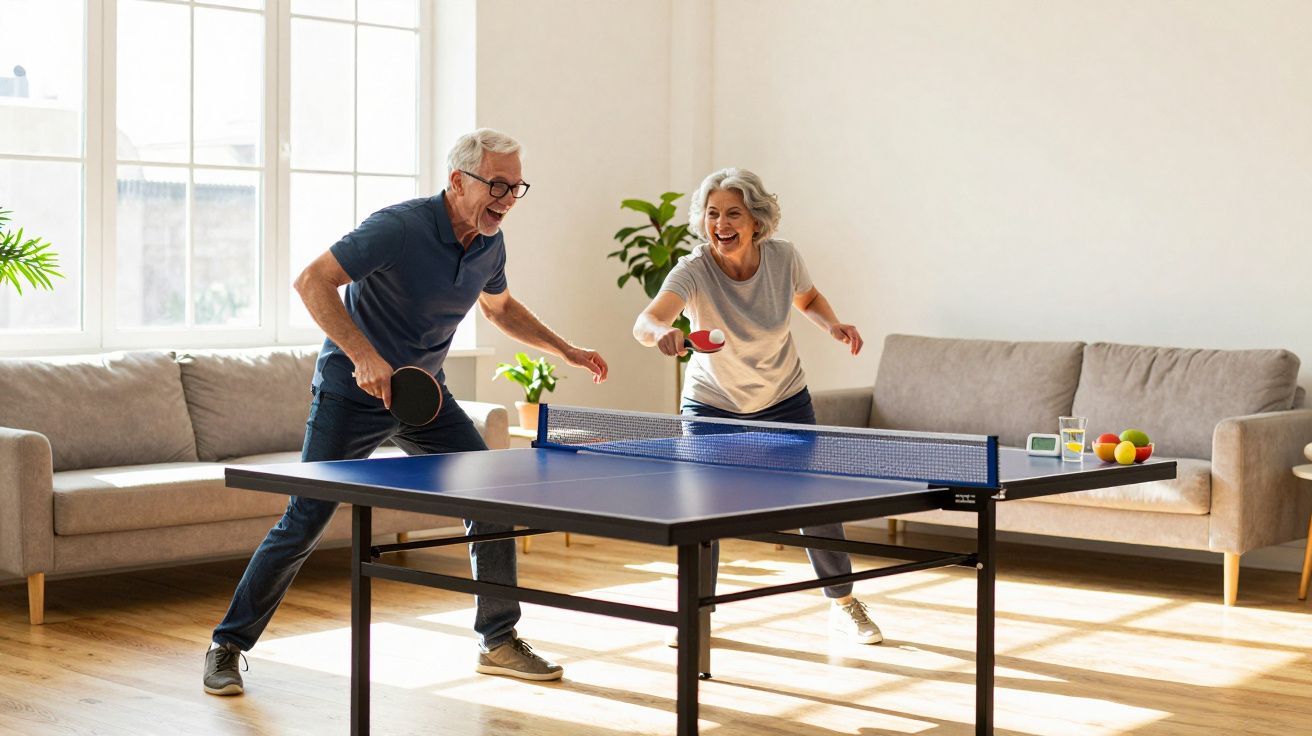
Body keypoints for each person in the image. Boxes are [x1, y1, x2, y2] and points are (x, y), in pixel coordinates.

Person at [204, 128, 608, 696]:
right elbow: (312, 281)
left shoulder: (490, 243)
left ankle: (498, 640)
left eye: (516, 187)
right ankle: (228, 645)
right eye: (497, 183)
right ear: (457, 180)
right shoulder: (398, 227)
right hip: (352, 394)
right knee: (305, 520)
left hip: (425, 399)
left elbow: (500, 308)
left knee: (489, 498)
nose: (507, 198)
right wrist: (364, 357)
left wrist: (564, 349)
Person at [632, 167, 880, 645]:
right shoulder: (693, 269)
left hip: (784, 399)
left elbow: (808, 297)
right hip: (713, 406)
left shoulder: (784, 258)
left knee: (817, 504)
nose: (721, 224)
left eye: (732, 213)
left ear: (756, 221)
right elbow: (647, 320)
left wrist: (832, 324)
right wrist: (661, 333)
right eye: (712, 214)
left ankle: (843, 603)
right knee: (703, 515)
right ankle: (695, 615)